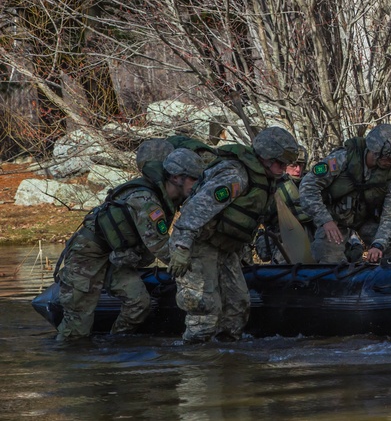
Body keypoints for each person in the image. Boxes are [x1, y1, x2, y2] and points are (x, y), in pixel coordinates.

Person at [55, 148, 205, 342]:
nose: (197, 187)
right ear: (177, 178)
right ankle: (71, 357)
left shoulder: (165, 198)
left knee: (139, 304)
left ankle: (114, 344)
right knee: (76, 325)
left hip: (117, 257)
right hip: (87, 255)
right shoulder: (146, 201)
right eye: (194, 180)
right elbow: (160, 247)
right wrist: (198, 270)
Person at [167, 126, 299, 343]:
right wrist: (181, 246)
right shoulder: (235, 175)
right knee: (205, 310)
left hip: (226, 248)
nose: (283, 168)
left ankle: (227, 363)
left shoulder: (267, 180)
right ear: (265, 157)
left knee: (237, 307)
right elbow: (196, 209)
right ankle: (196, 365)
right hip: (199, 243)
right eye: (279, 163)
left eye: (286, 164)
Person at [298, 124, 391, 265]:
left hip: (366, 220)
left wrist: (379, 244)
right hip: (335, 219)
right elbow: (308, 187)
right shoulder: (341, 159)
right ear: (374, 151)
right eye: (387, 158)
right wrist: (325, 220)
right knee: (329, 258)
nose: (390, 163)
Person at [255, 146, 313, 263]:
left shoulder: (313, 184)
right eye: (293, 165)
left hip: (313, 236)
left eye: (301, 165)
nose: (298, 170)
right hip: (284, 238)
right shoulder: (269, 186)